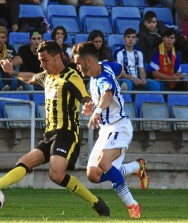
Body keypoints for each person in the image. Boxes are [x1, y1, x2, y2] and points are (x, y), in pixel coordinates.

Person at [0, 40, 110, 217]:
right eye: (40, 60)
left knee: (56, 174)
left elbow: (85, 97)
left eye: (44, 60)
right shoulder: (47, 76)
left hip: (66, 133)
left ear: (57, 57)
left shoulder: (71, 77)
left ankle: (95, 202)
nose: (41, 64)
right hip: (50, 134)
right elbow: (30, 77)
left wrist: (89, 106)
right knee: (24, 162)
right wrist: (12, 72)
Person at [72, 41, 149, 218]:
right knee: (94, 175)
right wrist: (92, 108)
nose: (77, 67)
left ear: (89, 61)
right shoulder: (105, 67)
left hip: (120, 126)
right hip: (106, 130)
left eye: (78, 63)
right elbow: (119, 68)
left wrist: (98, 110)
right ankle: (136, 167)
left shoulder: (103, 79)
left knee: (104, 164)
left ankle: (132, 205)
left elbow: (107, 94)